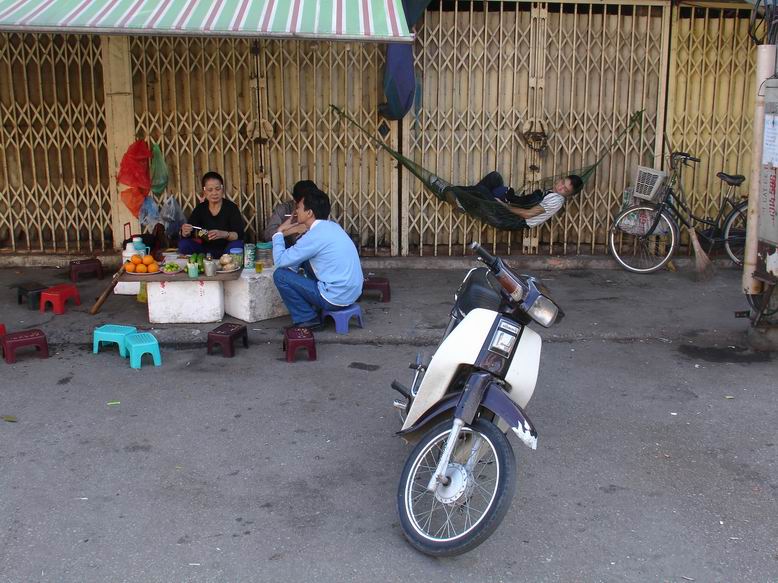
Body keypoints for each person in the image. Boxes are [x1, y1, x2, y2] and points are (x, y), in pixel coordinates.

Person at [272, 188, 363, 329]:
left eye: (299, 208)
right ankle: (312, 306)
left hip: (334, 298)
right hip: (352, 293)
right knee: (302, 260)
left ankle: (307, 319)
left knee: (280, 275)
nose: (296, 212)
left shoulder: (314, 236)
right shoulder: (333, 227)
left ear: (309, 213)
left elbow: (279, 261)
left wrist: (278, 233)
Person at [468, 171, 583, 229]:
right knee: (495, 177)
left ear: (568, 195)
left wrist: (503, 205)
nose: (560, 187)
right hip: (510, 209)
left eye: (565, 190)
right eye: (562, 182)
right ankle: (472, 200)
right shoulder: (551, 193)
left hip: (512, 219)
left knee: (481, 190)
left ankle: (463, 199)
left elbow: (527, 214)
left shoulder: (556, 200)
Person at [179, 172, 245, 258]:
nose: (214, 193)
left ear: (223, 189)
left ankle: (226, 261)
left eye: (217, 189)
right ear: (204, 191)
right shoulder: (200, 209)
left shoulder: (231, 208)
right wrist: (185, 232)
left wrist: (223, 234)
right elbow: (192, 231)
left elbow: (238, 235)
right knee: (183, 244)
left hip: (227, 249)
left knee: (237, 245)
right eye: (210, 190)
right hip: (205, 250)